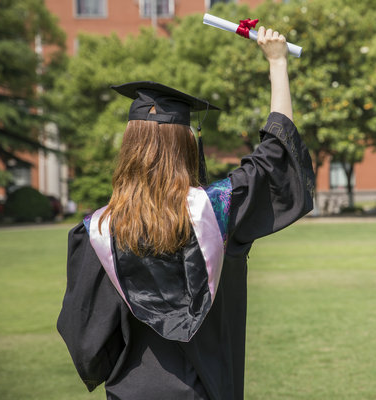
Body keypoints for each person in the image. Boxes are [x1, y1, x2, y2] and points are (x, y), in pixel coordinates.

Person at [57, 27, 314, 400]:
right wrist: (277, 63)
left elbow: (83, 330)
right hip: (203, 390)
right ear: (185, 147)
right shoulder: (218, 211)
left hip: (131, 391)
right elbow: (274, 158)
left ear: (130, 147)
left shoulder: (98, 230)